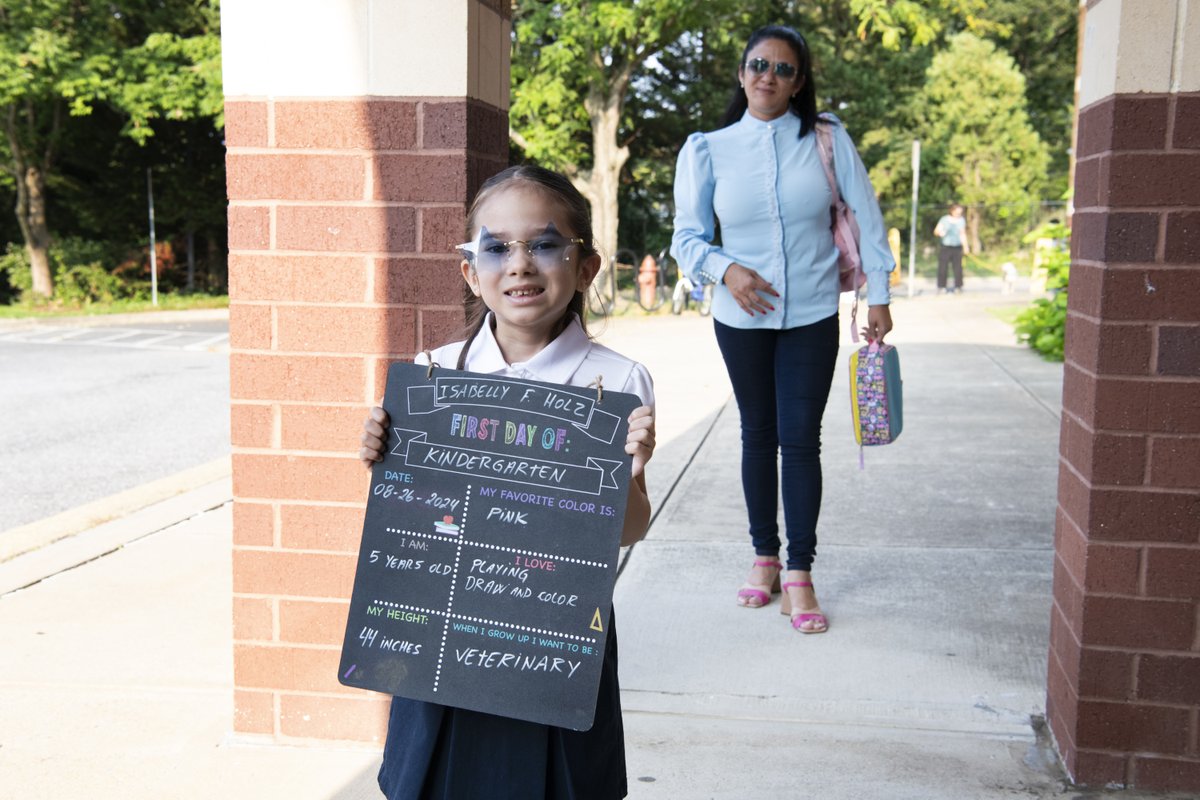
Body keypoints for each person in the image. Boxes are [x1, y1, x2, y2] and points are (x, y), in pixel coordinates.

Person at [358, 165, 656, 799]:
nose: (519, 264)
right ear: (471, 271)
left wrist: (625, 473)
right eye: (496, 247)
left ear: (587, 267)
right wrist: (384, 460)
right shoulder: (432, 375)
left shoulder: (618, 381)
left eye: (544, 244)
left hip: (555, 640)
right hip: (443, 635)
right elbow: (412, 520)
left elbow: (629, 530)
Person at [670, 24, 894, 635]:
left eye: (784, 69)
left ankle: (799, 571)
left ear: (798, 83)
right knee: (755, 434)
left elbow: (866, 217)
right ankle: (763, 556)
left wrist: (880, 293)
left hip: (815, 312)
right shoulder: (707, 149)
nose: (768, 75)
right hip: (740, 319)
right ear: (742, 74)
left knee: (799, 440)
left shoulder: (825, 140)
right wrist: (726, 268)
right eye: (758, 64)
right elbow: (686, 239)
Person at [934, 203, 968, 293]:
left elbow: (962, 234)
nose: (958, 214)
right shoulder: (944, 219)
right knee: (943, 267)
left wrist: (966, 246)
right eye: (957, 212)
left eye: (960, 213)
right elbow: (936, 231)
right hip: (945, 247)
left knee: (958, 268)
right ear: (952, 211)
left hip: (957, 247)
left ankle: (958, 286)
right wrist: (940, 233)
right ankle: (941, 286)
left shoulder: (961, 220)